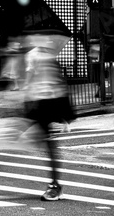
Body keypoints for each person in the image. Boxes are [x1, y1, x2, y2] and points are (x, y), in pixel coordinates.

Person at [21, 31, 75, 200]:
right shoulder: (37, 56)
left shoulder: (46, 57)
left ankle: (55, 185)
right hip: (41, 102)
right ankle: (54, 184)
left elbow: (57, 83)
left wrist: (64, 114)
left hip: (49, 103)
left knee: (49, 144)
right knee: (45, 142)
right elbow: (31, 81)